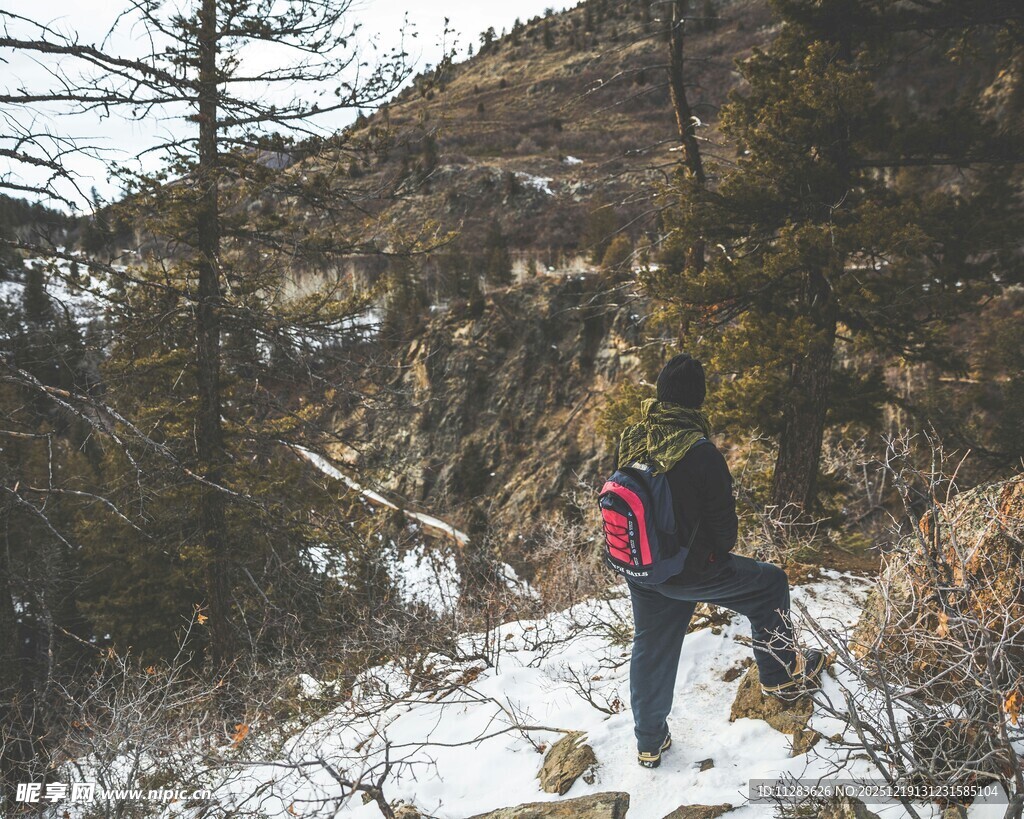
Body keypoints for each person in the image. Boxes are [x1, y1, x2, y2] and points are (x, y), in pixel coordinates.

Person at [618, 353, 825, 769]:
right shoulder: (701, 452)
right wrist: (709, 557)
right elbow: (724, 529)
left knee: (651, 648)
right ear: (698, 400)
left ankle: (649, 742)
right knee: (769, 585)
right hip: (689, 570)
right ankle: (781, 679)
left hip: (642, 567)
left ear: (661, 394)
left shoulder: (634, 436)